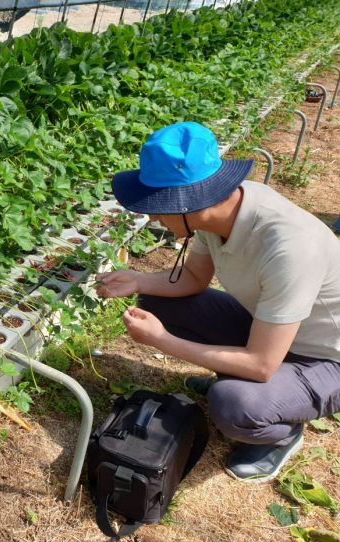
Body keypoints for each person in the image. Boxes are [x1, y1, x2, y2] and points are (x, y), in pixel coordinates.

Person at [95, 121, 340, 483]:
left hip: (323, 358)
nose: (152, 217)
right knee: (158, 300)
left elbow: (260, 364)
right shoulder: (224, 210)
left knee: (234, 403)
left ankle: (282, 433)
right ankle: (239, 375)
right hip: (269, 328)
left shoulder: (291, 248)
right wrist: (138, 280)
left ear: (187, 202)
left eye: (157, 206)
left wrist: (163, 341)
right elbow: (193, 278)